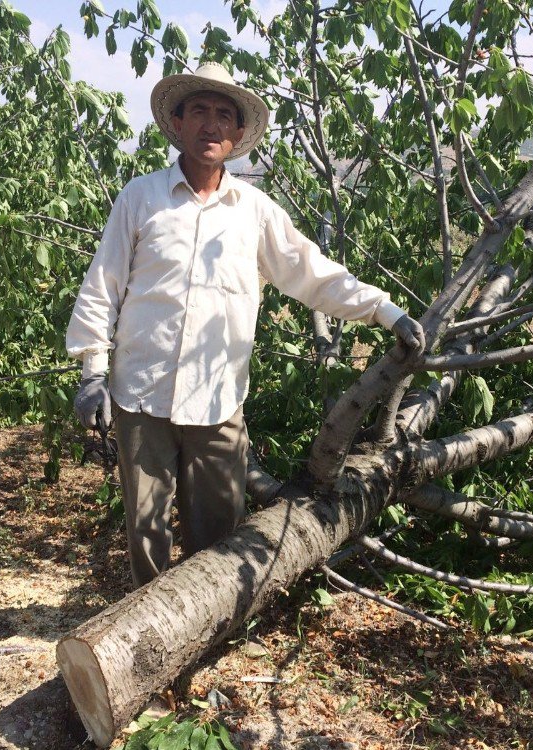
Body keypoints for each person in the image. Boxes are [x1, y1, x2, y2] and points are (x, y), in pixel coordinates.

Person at [66, 62, 425, 589]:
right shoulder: (140, 199)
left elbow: (312, 273)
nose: (211, 125)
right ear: (179, 122)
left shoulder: (253, 211)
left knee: (216, 534)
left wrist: (385, 311)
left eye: (223, 115)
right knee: (146, 533)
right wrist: (92, 372)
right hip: (139, 394)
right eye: (200, 112)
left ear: (236, 135)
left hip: (217, 399)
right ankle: (143, 640)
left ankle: (197, 636)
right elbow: (103, 286)